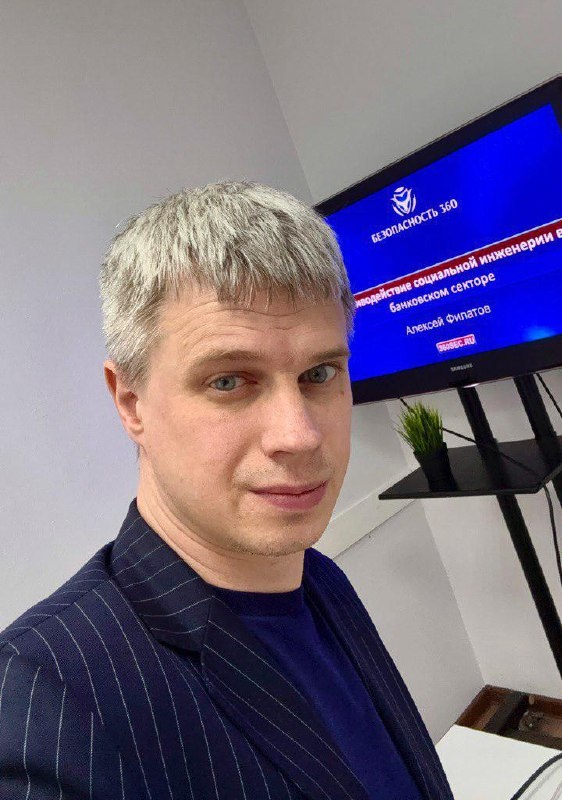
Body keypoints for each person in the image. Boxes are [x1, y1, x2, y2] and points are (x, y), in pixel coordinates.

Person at [0, 182, 453, 800]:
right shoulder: (46, 694)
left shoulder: (318, 581)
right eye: (229, 381)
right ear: (130, 402)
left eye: (320, 373)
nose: (299, 435)